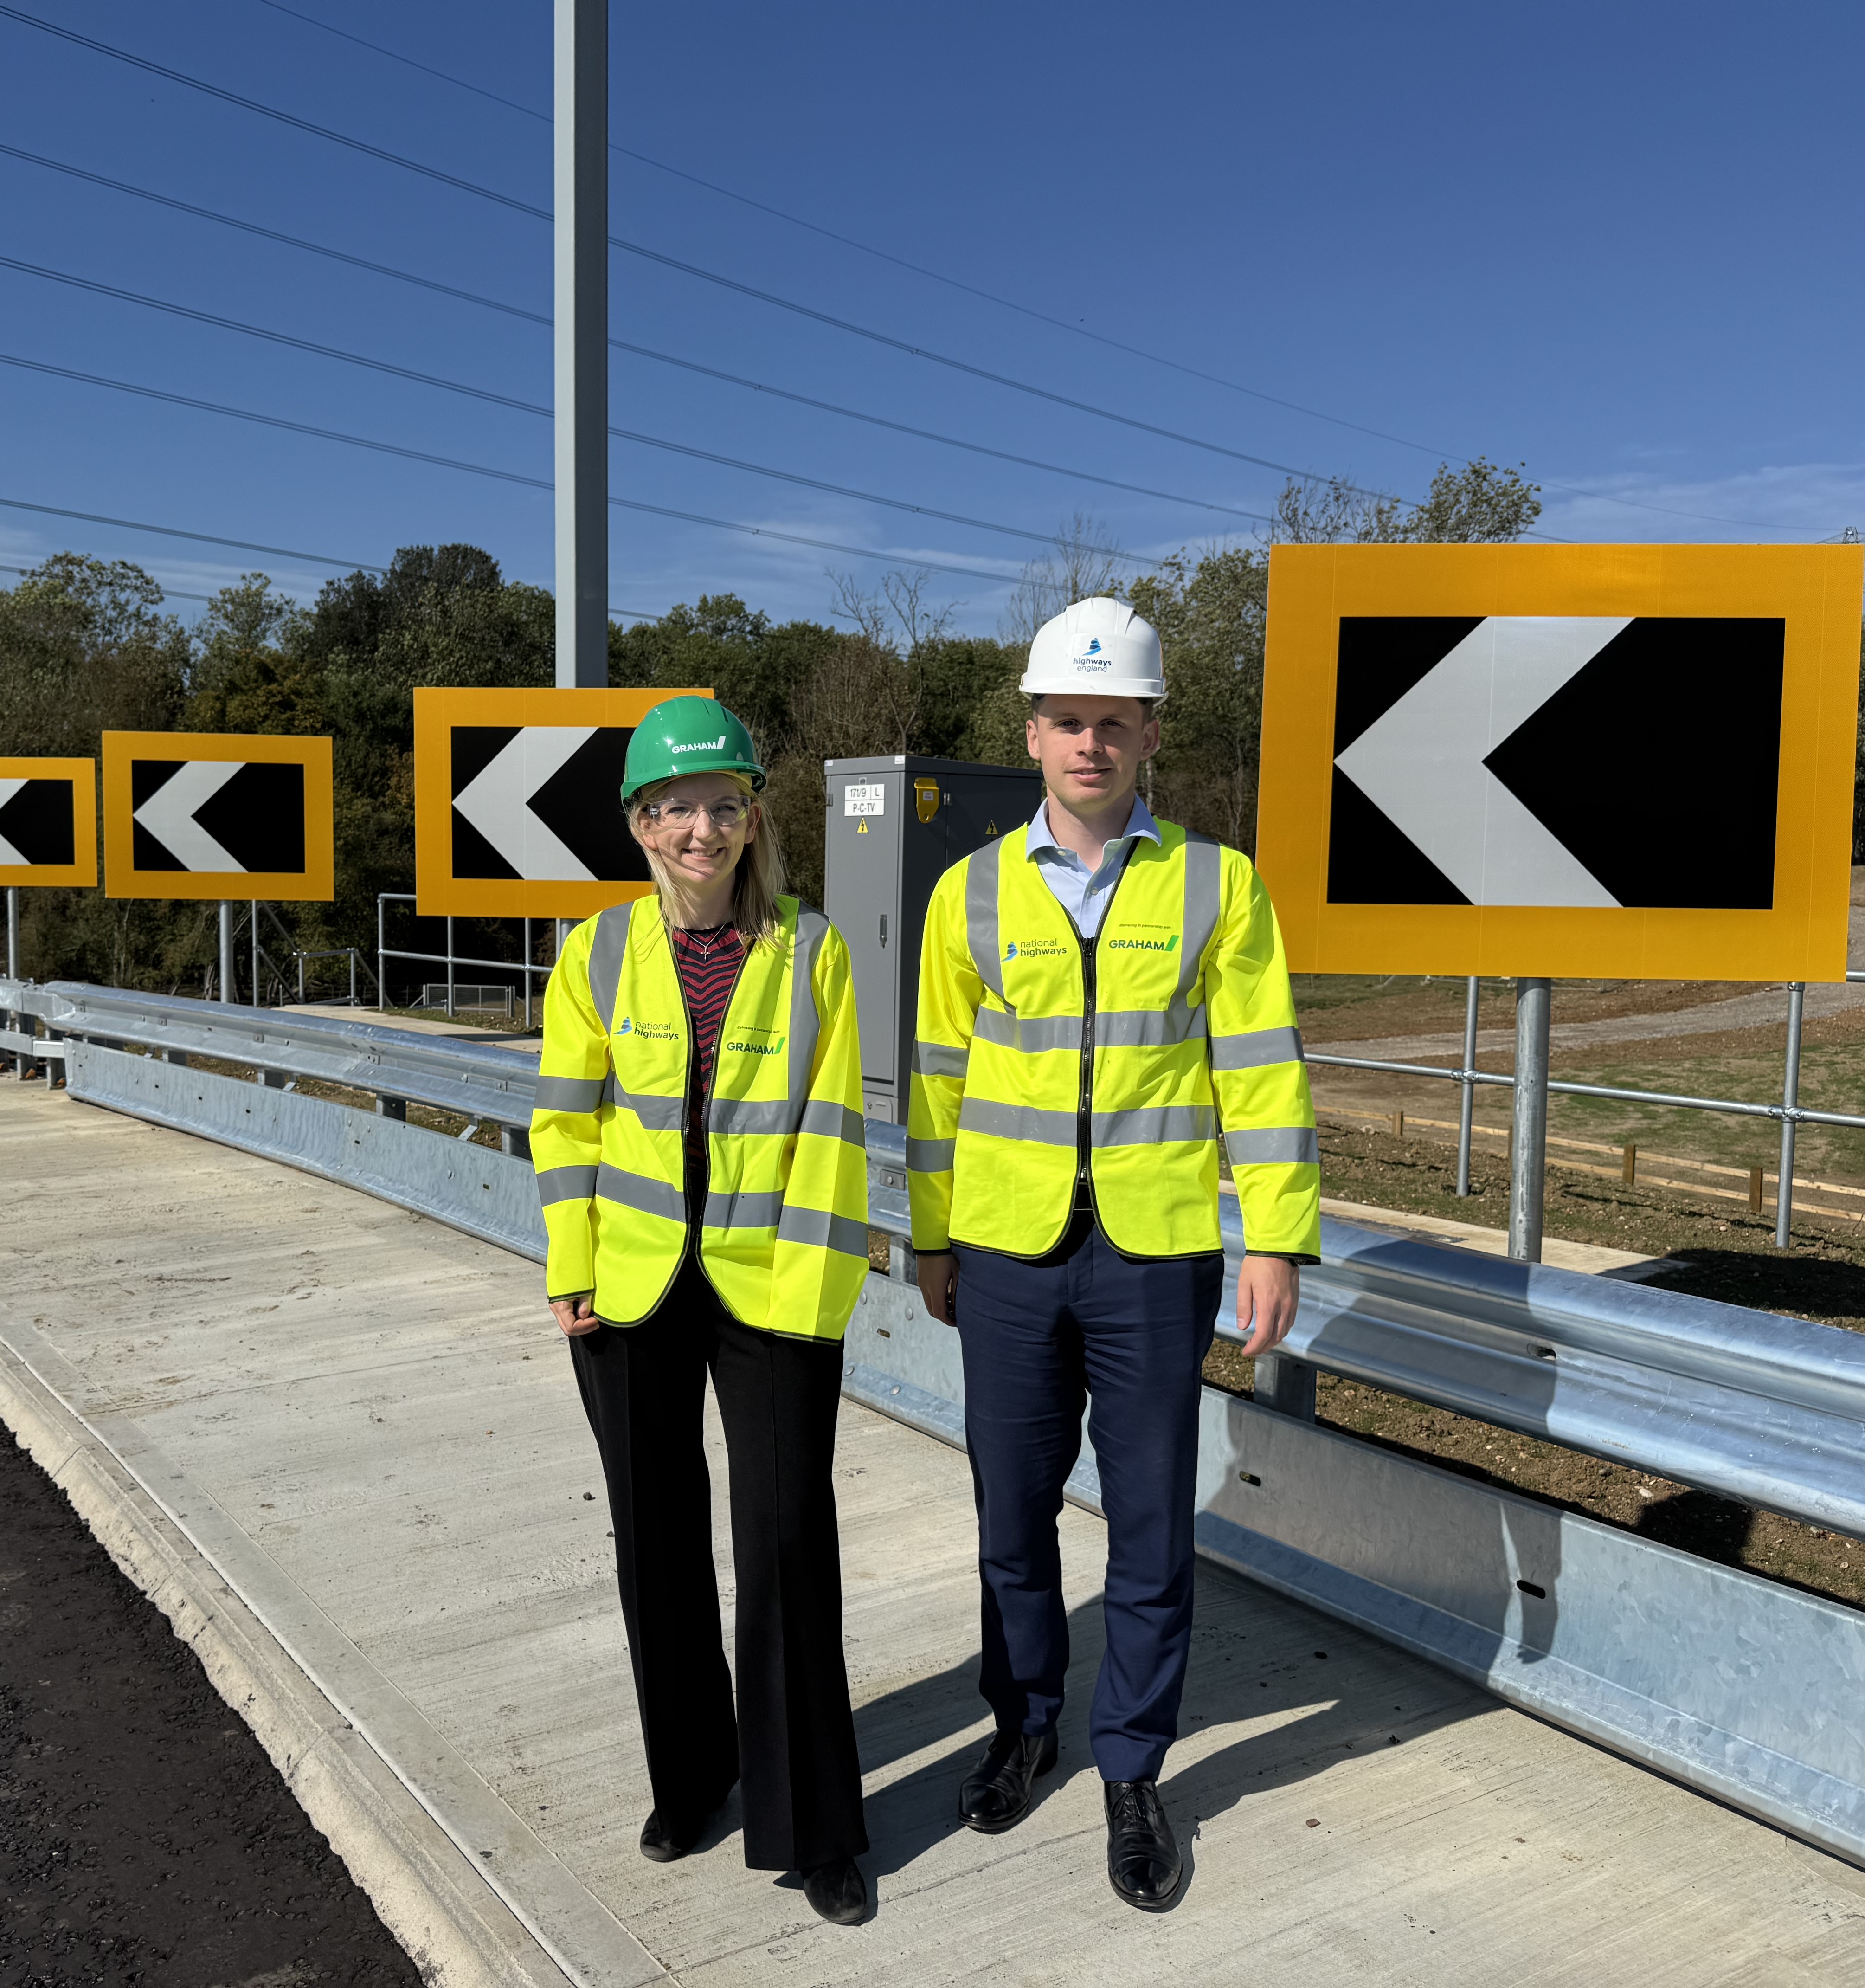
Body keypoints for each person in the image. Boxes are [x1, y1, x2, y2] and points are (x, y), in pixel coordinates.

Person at [906, 597, 1320, 1911]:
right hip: (1011, 1253)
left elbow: (1260, 1070)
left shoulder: (1219, 884)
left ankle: (1132, 1767)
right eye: (1068, 719)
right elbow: (932, 1083)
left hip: (1156, 1252)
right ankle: (1023, 1721)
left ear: (1149, 732)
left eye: (1114, 720)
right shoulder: (968, 892)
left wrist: (1277, 1235)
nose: (1090, 742)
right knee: (1010, 1514)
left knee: (1150, 1527)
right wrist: (930, 1234)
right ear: (1033, 731)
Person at [530, 695, 876, 1926]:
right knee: (655, 1541)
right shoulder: (597, 953)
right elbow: (568, 1122)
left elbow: (834, 1132)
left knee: (786, 1538)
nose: (699, 826)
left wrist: (816, 1293)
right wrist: (569, 1258)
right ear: (638, 822)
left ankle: (816, 1823)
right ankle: (694, 1775)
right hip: (628, 1285)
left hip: (770, 1284)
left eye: (722, 803)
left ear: (751, 819)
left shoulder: (810, 949)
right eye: (674, 805)